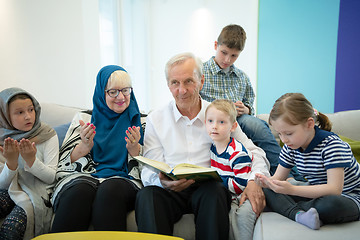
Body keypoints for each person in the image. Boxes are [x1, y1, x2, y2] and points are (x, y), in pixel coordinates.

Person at [135, 52, 269, 240]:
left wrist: (254, 180)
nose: (182, 90)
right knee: (147, 195)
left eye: (189, 81)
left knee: (214, 191)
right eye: (175, 83)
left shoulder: (218, 114)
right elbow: (149, 166)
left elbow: (255, 152)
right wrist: (162, 182)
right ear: (168, 85)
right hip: (170, 191)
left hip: (208, 191)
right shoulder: (156, 119)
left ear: (201, 81)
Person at [199, 24, 302, 180]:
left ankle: (289, 176)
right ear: (216, 46)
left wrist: (245, 109)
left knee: (257, 125)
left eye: (234, 56)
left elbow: (250, 106)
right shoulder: (201, 72)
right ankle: (291, 177)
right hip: (215, 119)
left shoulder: (242, 77)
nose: (227, 59)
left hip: (239, 119)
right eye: (224, 53)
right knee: (253, 124)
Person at [50, 65, 144, 232]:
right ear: (102, 92)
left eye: (125, 90)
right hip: (86, 175)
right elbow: (64, 164)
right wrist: (84, 146)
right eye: (113, 92)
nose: (121, 97)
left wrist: (134, 148)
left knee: (110, 189)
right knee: (79, 191)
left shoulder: (141, 121)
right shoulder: (85, 118)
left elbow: (152, 165)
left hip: (125, 179)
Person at [255, 93, 360, 230]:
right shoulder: (290, 146)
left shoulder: (332, 146)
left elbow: (334, 190)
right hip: (314, 192)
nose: (284, 140)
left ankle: (290, 209)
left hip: (348, 197)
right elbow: (277, 179)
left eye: (289, 133)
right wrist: (267, 183)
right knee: (268, 191)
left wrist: (292, 189)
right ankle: (299, 215)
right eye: (279, 134)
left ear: (309, 124)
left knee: (330, 205)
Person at [0, 87, 59, 239]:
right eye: (20, 112)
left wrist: (31, 161)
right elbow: (2, 185)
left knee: (11, 229)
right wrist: (11, 162)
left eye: (31, 109)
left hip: (37, 192)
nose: (28, 116)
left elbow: (52, 177)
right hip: (8, 189)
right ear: (5, 116)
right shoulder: (2, 139)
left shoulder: (47, 134)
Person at [205, 99, 256, 240]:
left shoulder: (237, 153)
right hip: (227, 193)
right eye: (210, 121)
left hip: (240, 194)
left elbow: (241, 184)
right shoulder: (214, 147)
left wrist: (215, 179)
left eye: (221, 122)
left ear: (233, 126)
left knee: (239, 216)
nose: (214, 126)